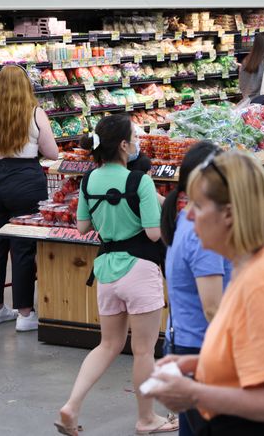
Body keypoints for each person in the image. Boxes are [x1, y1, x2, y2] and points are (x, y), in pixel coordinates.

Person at [146, 150, 264, 435]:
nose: (187, 214)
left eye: (198, 205)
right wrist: (202, 363)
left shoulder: (262, 282)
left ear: (228, 214)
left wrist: (195, 394)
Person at [57, 114, 177, 436]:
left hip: (107, 270)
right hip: (140, 269)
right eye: (135, 138)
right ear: (124, 145)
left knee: (107, 344)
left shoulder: (88, 180)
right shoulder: (141, 182)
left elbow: (83, 227)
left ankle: (72, 405)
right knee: (142, 350)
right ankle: (147, 418)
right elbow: (154, 233)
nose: (137, 143)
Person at [0, 65, 59, 332]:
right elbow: (52, 153)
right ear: (26, 86)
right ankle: (24, 313)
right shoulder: (35, 113)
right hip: (25, 179)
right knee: (23, 248)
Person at [160, 141, 232, 436]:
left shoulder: (184, 218)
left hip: (187, 341)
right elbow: (213, 307)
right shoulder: (203, 233)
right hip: (202, 348)